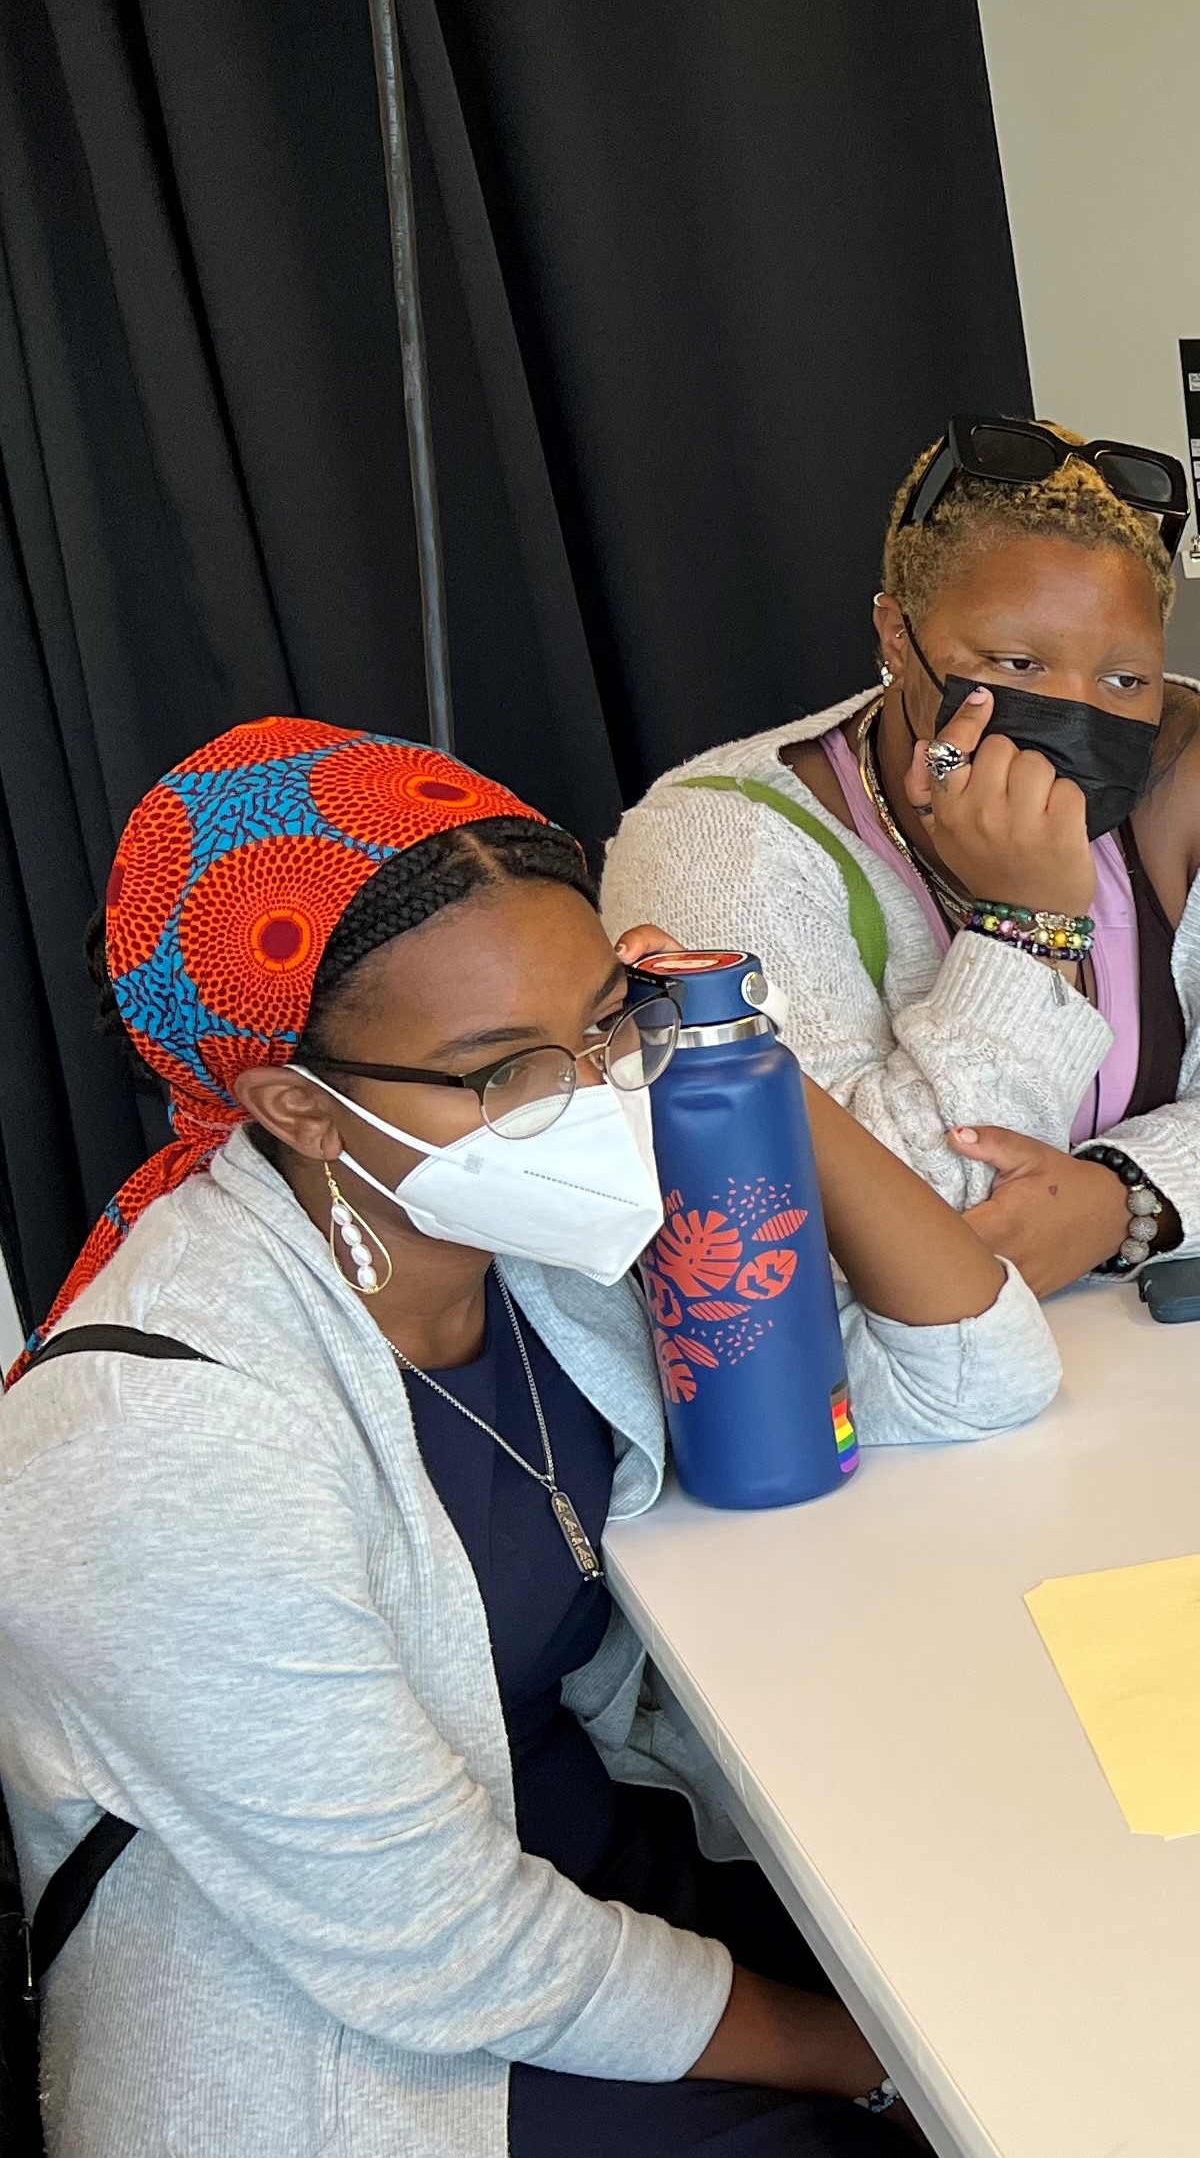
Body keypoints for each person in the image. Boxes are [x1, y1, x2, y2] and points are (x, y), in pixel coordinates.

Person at [0, 720, 1062, 2155]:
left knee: (1042, 1932)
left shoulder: (540, 1239)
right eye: (502, 1067)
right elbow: (442, 1952)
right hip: (365, 2047)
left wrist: (724, 1036)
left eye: (605, 1019)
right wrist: (863, 2056)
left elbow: (971, 1377)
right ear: (295, 1107)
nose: (587, 1096)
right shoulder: (158, 1441)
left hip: (586, 1869)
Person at [603, 420, 1200, 1295]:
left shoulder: (1196, 767)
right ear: (896, 636)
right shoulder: (723, 843)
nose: (1075, 712)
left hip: (1161, 1361)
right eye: (1019, 662)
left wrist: (1121, 1201)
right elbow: (824, 1228)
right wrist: (1025, 930)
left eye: (1124, 679)